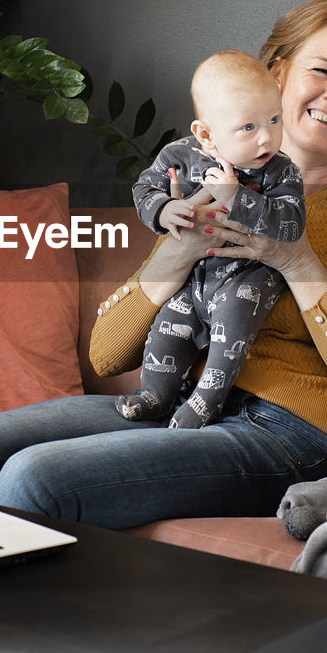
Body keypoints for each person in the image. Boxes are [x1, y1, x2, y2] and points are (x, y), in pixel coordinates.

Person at [0, 0, 327, 530]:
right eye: (321, 71)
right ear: (275, 75)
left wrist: (296, 261)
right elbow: (107, 354)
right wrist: (181, 247)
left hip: (293, 434)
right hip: (176, 399)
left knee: (36, 478)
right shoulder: (200, 179)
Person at [120, 50, 305, 429]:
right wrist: (162, 209)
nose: (266, 137)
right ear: (205, 133)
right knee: (168, 325)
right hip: (194, 276)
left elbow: (291, 225)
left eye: (274, 119)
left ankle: (206, 401)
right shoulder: (180, 156)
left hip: (247, 276)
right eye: (248, 128)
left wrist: (237, 198)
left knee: (232, 330)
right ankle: (155, 394)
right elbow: (145, 187)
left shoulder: (281, 170)